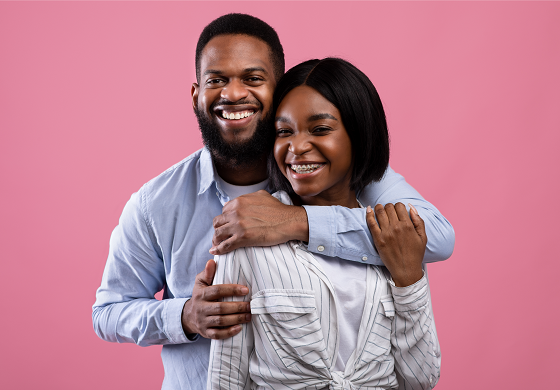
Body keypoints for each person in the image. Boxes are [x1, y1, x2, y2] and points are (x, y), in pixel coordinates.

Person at [93, 14, 453, 390]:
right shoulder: (157, 202)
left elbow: (435, 237)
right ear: (196, 95)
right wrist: (185, 316)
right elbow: (108, 312)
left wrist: (296, 221)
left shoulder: (328, 170)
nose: (233, 94)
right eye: (217, 80)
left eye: (252, 78)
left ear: (278, 89)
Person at [207, 58, 440, 390]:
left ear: (359, 136)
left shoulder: (393, 236)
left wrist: (409, 281)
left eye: (320, 129)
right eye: (284, 132)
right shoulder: (247, 235)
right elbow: (226, 379)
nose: (297, 147)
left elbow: (421, 378)